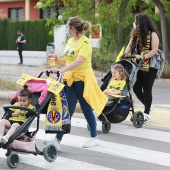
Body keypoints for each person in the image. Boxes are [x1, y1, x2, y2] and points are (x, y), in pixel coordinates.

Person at [45, 16, 108, 150]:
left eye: (68, 27)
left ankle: (94, 137)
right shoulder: (71, 41)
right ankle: (57, 140)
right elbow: (69, 60)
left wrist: (61, 70)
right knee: (68, 109)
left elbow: (79, 61)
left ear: (72, 28)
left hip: (82, 78)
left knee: (86, 108)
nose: (67, 29)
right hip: (70, 78)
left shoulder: (85, 43)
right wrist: (57, 59)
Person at [123, 13, 159, 122]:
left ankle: (147, 113)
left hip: (150, 64)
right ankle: (148, 105)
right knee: (136, 88)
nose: (135, 24)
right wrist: (125, 54)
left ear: (142, 23)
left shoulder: (153, 34)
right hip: (138, 64)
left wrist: (143, 57)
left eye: (137, 22)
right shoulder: (135, 34)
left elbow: (155, 50)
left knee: (147, 88)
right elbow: (130, 46)